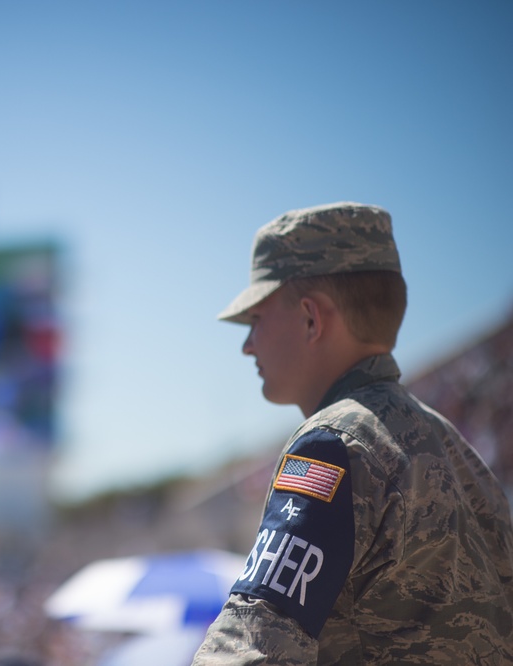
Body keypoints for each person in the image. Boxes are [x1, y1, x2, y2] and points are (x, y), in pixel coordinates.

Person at [192, 202, 513, 664]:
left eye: (257, 319)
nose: (247, 344)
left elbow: (251, 649)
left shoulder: (333, 443)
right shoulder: (462, 455)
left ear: (310, 319)